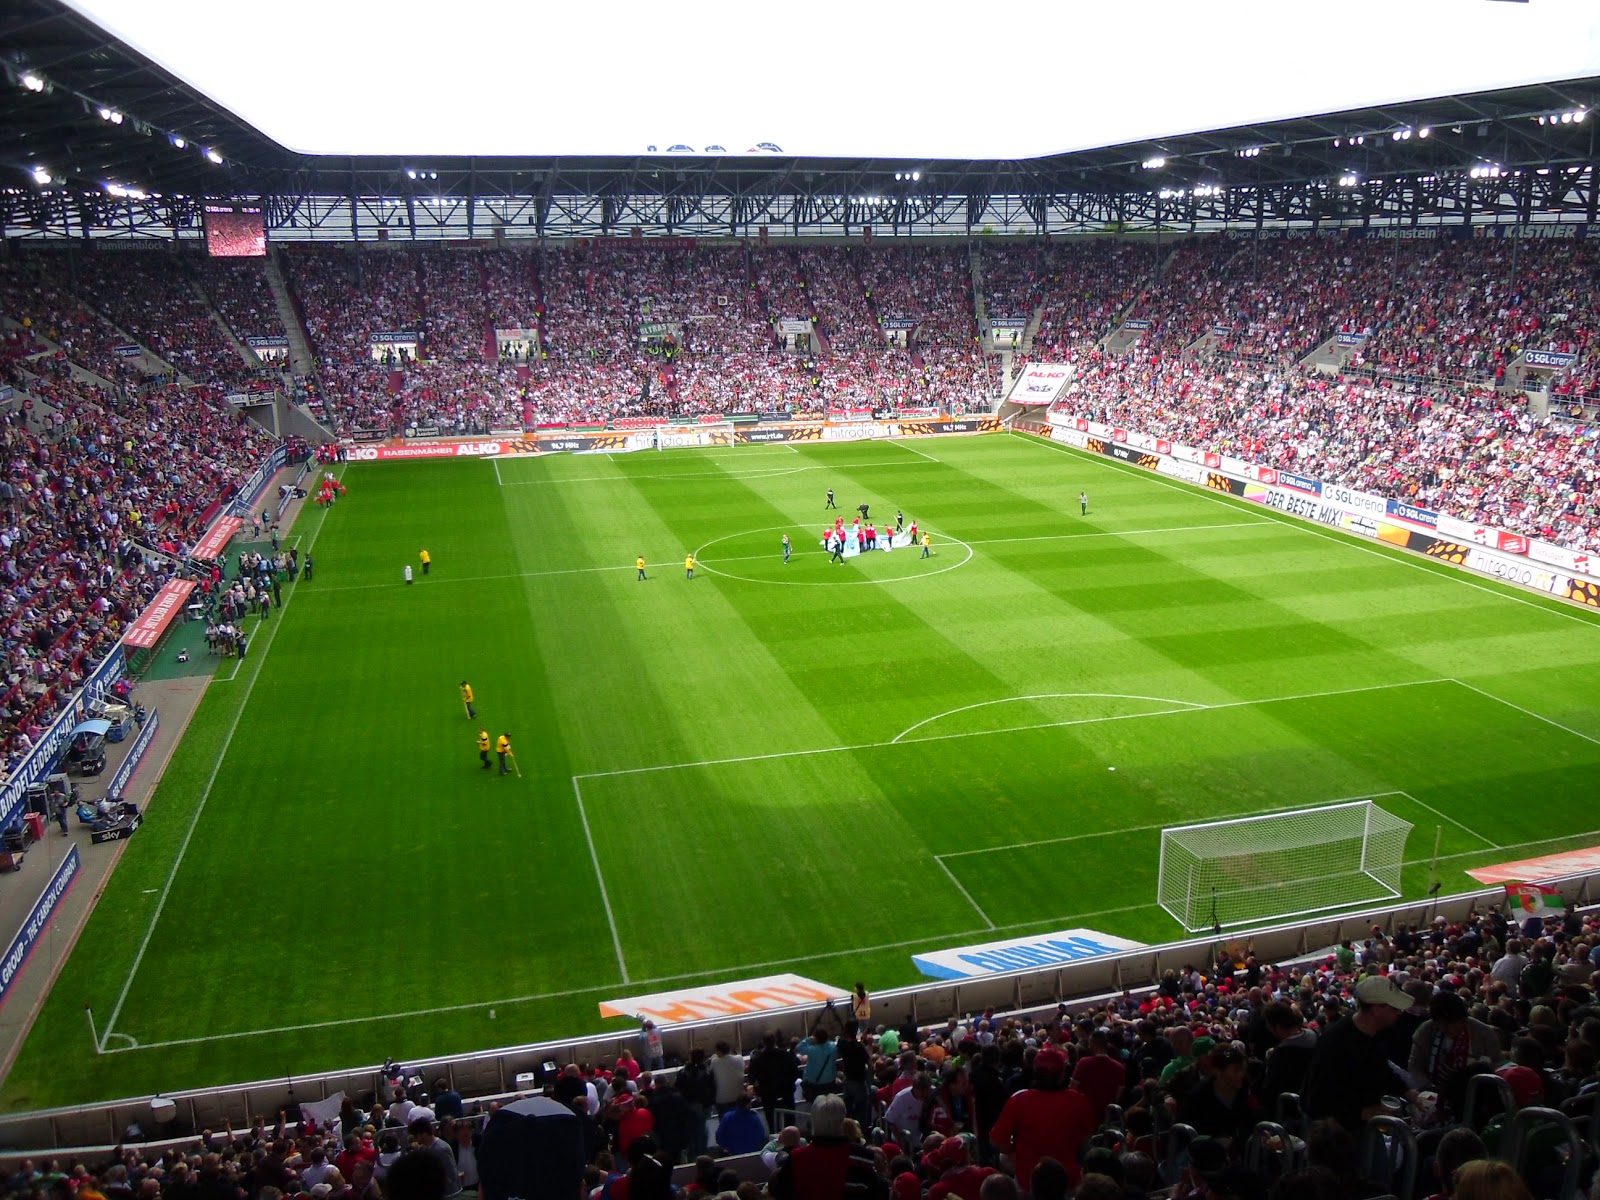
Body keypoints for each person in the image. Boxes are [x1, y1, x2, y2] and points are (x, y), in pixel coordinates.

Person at [1302, 973, 1415, 1131]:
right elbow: (1317, 1100)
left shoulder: (1377, 1032)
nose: (1400, 1012)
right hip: (1337, 1134)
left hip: (1365, 1126)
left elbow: (1380, 1068)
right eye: (1395, 1008)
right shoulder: (1334, 1042)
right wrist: (1361, 1112)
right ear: (1377, 1010)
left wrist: (1408, 1092)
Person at [989, 1046, 1096, 1193]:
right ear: (1062, 1074)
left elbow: (997, 1142)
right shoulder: (1078, 1100)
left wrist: (1017, 1148)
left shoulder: (1019, 1101)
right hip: (1067, 1180)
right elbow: (1086, 1137)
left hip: (1028, 1181)